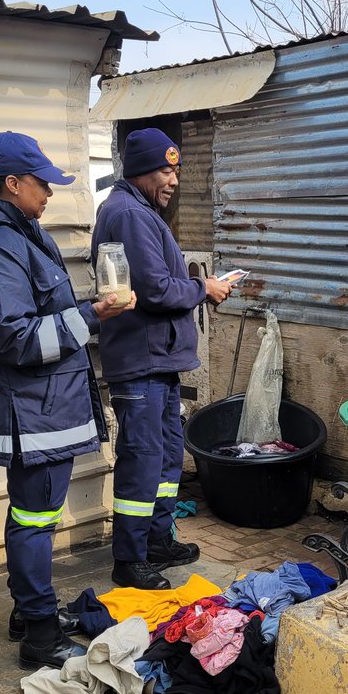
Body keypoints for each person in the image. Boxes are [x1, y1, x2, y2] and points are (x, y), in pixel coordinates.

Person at [0, 131, 134, 669]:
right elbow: (16, 337)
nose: (49, 192)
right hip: (29, 410)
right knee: (35, 518)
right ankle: (40, 634)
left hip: (37, 405)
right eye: (41, 182)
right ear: (12, 183)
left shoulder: (16, 232)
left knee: (29, 514)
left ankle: (29, 610)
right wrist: (95, 315)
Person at [92, 128, 233, 591]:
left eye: (176, 170)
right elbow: (153, 289)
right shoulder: (129, 214)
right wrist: (204, 289)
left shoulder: (140, 211)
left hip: (159, 360)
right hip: (141, 359)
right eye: (165, 170)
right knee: (143, 458)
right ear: (140, 171)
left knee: (169, 453)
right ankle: (129, 558)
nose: (173, 180)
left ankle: (156, 539)